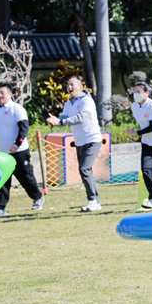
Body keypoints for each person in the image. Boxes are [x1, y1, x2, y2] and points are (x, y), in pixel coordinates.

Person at [0, 82, 45, 218]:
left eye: (2, 93)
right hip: (1, 152)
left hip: (19, 151)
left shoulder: (16, 109)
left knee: (25, 177)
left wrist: (17, 144)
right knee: (2, 179)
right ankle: (0, 207)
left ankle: (37, 197)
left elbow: (24, 128)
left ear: (10, 94)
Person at [46, 76, 103, 212]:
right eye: (68, 85)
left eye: (72, 85)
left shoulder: (86, 101)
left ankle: (93, 200)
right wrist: (56, 120)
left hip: (92, 140)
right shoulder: (68, 103)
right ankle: (95, 202)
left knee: (84, 169)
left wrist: (61, 122)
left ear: (80, 87)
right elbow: (65, 117)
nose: (69, 87)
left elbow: (81, 118)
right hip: (80, 142)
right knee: (85, 171)